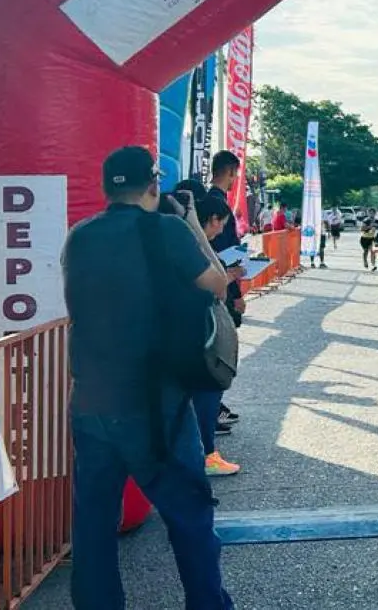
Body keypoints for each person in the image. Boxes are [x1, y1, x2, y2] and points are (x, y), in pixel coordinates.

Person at [62, 146, 234, 609]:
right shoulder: (168, 229)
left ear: (105, 187)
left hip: (91, 399)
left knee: (94, 524)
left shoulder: (79, 237)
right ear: (154, 185)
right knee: (189, 516)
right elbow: (218, 283)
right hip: (156, 404)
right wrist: (192, 221)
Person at [173, 180, 243, 477]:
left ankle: (194, 453)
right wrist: (229, 277)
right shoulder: (185, 236)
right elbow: (214, 286)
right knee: (208, 384)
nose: (218, 232)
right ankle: (206, 454)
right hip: (195, 328)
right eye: (220, 225)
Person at [206, 151, 244, 431]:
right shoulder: (219, 206)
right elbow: (230, 254)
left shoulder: (203, 201)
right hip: (221, 283)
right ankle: (212, 409)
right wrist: (238, 292)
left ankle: (212, 407)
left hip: (209, 280)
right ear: (230, 171)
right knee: (220, 349)